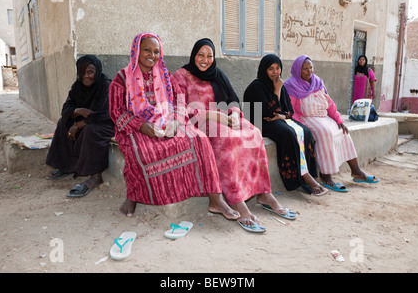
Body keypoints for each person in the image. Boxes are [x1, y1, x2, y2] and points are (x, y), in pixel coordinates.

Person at [109, 33, 239, 220]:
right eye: (147, 50)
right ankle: (134, 197)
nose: (152, 55)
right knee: (141, 150)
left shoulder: (166, 76)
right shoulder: (122, 78)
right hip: (136, 126)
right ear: (137, 51)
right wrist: (142, 126)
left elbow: (180, 103)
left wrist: (175, 122)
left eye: (156, 51)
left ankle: (215, 199)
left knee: (200, 139)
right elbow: (117, 111)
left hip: (168, 121)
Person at [173, 38, 296, 232]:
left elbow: (233, 101)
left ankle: (263, 193)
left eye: (209, 56)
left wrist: (236, 116)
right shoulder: (180, 76)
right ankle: (237, 200)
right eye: (201, 55)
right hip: (199, 121)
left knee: (253, 133)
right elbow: (180, 109)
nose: (205, 60)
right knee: (227, 139)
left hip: (225, 118)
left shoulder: (218, 74)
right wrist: (213, 115)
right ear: (193, 55)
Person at [284, 55, 380, 192]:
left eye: (311, 68)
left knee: (343, 131)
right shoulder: (291, 85)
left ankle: (356, 171)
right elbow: (292, 111)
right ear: (298, 69)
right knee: (325, 133)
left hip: (324, 116)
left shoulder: (317, 82)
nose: (309, 71)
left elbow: (329, 104)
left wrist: (339, 120)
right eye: (305, 69)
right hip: (307, 119)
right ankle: (326, 176)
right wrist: (300, 126)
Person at [243, 54, 328, 196]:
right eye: (271, 69)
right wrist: (277, 91)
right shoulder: (256, 87)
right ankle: (299, 178)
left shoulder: (280, 85)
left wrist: (282, 115)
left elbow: (289, 109)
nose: (275, 72)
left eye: (278, 68)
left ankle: (307, 173)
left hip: (276, 119)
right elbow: (268, 112)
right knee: (288, 133)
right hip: (258, 122)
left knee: (306, 131)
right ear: (264, 70)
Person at [46, 55, 115, 197]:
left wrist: (78, 125)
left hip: (107, 124)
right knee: (62, 123)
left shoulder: (106, 86)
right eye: (82, 72)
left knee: (90, 131)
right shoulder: (77, 87)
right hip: (88, 121)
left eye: (90, 72)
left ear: (97, 71)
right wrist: (78, 111)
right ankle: (66, 165)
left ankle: (96, 176)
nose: (86, 76)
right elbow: (66, 108)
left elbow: (106, 115)